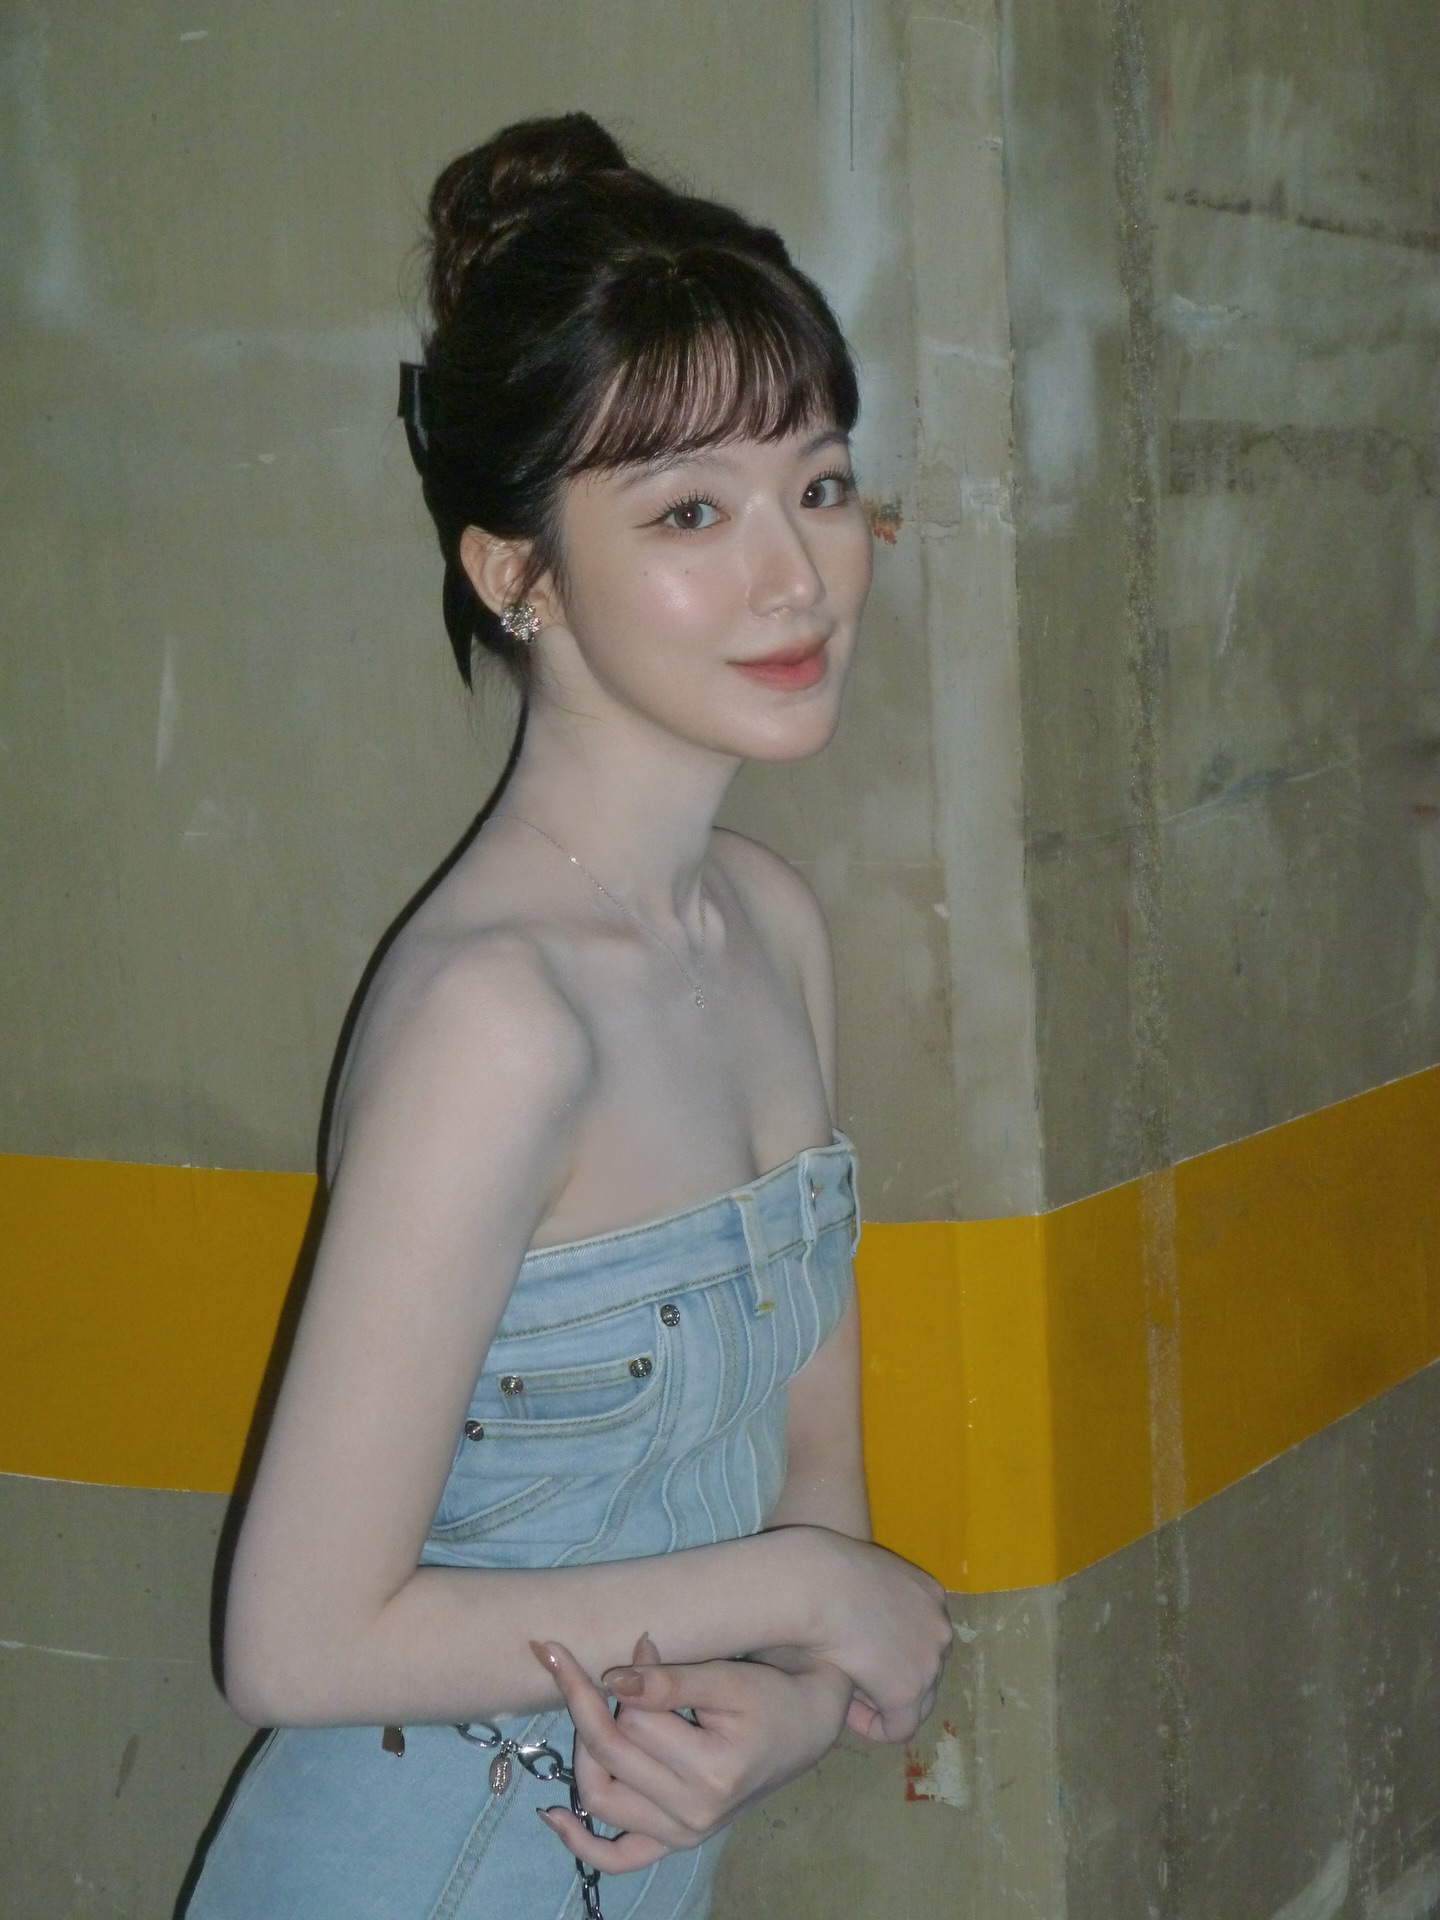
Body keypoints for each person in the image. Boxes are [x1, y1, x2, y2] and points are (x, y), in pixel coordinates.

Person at [184, 112, 952, 1920]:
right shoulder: (499, 1020)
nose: (795, 575)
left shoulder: (766, 928)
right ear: (514, 574)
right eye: (690, 511)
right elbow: (293, 1640)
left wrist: (791, 1706)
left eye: (818, 484)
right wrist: (802, 1603)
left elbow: (814, 1480)